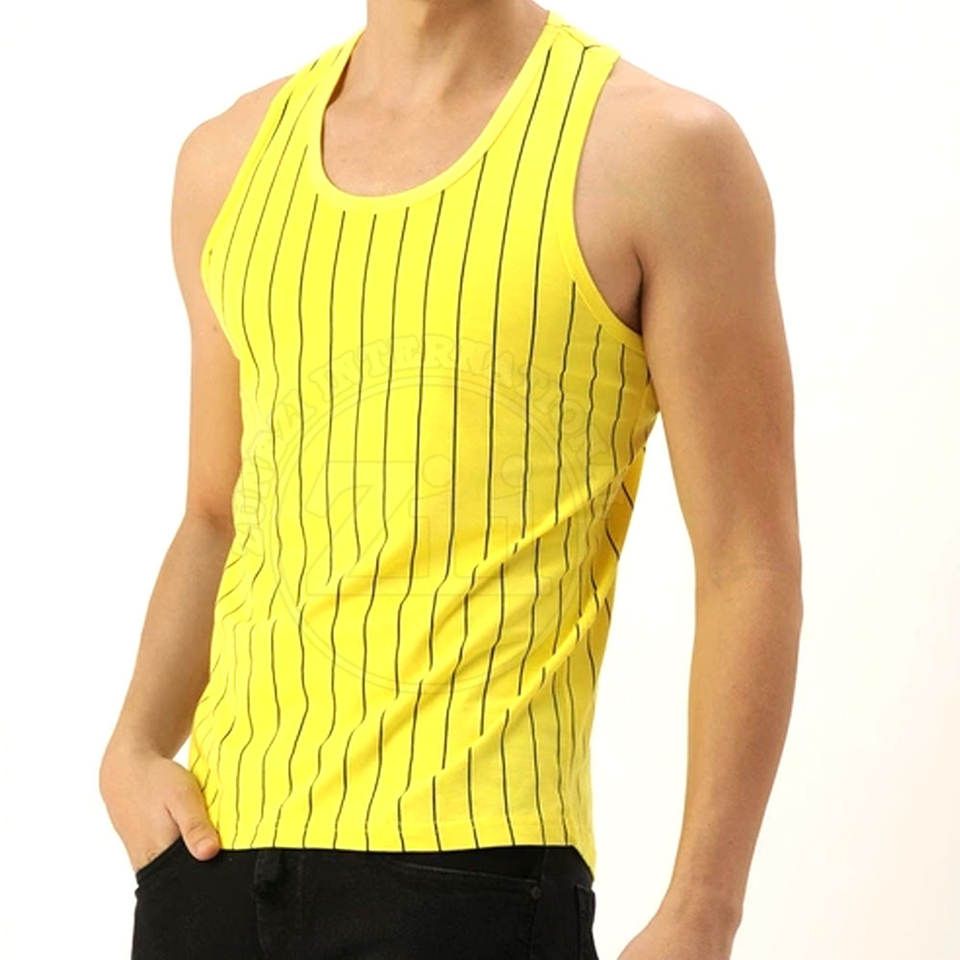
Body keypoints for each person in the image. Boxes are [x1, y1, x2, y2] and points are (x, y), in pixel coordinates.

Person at [99, 1, 802, 957]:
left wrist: (703, 909)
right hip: (214, 868)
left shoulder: (656, 152)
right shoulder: (226, 162)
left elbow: (749, 557)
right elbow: (217, 514)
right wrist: (134, 746)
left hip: (475, 876)